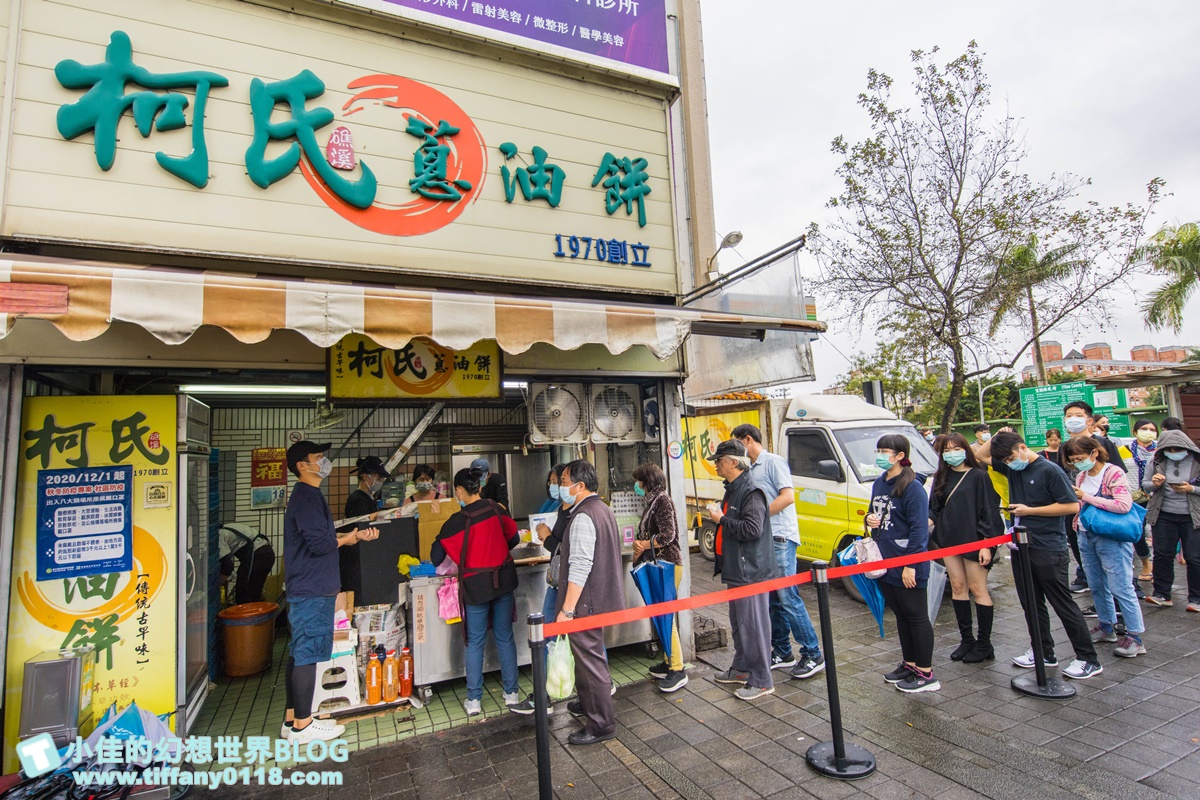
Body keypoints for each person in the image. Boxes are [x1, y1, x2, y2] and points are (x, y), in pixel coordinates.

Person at [978, 432, 1102, 680]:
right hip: (1021, 547)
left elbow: (1070, 506)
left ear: (1023, 447)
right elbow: (980, 454)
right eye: (1006, 459)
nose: (1011, 462)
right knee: (1031, 603)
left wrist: (1030, 510)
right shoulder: (1013, 467)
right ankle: (1043, 651)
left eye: (1013, 456)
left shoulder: (1049, 470)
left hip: (1048, 546)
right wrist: (999, 434)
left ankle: (1088, 658)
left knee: (1062, 603)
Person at [282, 441, 379, 743]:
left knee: (299, 653)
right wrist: (345, 540)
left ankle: (291, 718)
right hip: (312, 588)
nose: (324, 462)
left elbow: (323, 536)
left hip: (308, 586)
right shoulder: (307, 498)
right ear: (302, 465)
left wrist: (351, 536)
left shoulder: (308, 495)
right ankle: (303, 725)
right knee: (307, 654)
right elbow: (321, 545)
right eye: (318, 458)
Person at [731, 423, 824, 679]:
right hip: (765, 539)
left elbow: (788, 497)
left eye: (738, 444)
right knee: (773, 598)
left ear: (748, 440)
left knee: (787, 596)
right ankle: (782, 651)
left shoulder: (772, 462)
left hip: (781, 537)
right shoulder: (749, 468)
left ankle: (813, 652)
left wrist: (759, 516)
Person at [431, 467, 521, 716]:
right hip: (502, 581)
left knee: (474, 642)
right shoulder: (494, 508)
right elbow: (514, 539)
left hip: (476, 587)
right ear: (479, 487)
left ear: (459, 491)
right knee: (505, 637)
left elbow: (436, 557)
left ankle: (474, 701)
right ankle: (512, 694)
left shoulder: (456, 522)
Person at [556, 460, 626, 745]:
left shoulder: (584, 516)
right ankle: (588, 705)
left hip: (586, 605)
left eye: (563, 481)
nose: (560, 487)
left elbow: (580, 565)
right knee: (587, 661)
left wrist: (567, 609)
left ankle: (601, 725)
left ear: (579, 486)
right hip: (598, 600)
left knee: (590, 663)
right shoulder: (603, 509)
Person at [1062, 437, 1146, 659]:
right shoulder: (1081, 475)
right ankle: (1106, 626)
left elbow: (1123, 505)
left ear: (1094, 453)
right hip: (1085, 534)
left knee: (1121, 586)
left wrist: (1086, 497)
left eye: (1080, 458)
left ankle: (1135, 636)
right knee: (1097, 584)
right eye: (1073, 460)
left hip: (1111, 536)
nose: (1078, 463)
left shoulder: (1113, 472)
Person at [867, 435, 939, 693]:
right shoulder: (879, 482)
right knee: (900, 614)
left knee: (916, 616)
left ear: (899, 455)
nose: (879, 454)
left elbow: (920, 529)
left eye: (884, 450)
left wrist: (911, 565)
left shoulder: (912, 486)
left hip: (909, 561)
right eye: (878, 449)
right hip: (885, 559)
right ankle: (909, 664)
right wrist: (870, 519)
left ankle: (926, 673)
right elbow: (873, 511)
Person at [707, 439, 776, 701]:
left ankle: (762, 680)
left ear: (733, 462)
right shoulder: (733, 488)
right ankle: (742, 668)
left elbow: (752, 530)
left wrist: (721, 519)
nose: (716, 465)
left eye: (719, 460)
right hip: (738, 569)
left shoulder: (751, 490)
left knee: (754, 626)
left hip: (751, 572)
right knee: (740, 625)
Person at [929, 433, 1003, 663]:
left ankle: (984, 643)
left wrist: (986, 544)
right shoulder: (941, 476)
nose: (951, 453)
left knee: (978, 588)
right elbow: (934, 508)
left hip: (975, 540)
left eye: (956, 448)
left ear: (965, 449)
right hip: (949, 539)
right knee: (958, 587)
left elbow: (989, 511)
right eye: (946, 450)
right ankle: (966, 639)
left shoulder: (979, 476)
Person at [511, 464, 572, 716]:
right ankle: (543, 694)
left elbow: (567, 550)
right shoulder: (561, 509)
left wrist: (547, 537)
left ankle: (543, 697)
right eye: (553, 481)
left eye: (559, 480)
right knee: (553, 638)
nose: (554, 485)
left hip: (566, 586)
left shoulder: (579, 513)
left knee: (562, 638)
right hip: (558, 582)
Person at [631, 462, 687, 693]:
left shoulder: (662, 499)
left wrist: (644, 544)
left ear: (646, 481)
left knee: (665, 617)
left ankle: (678, 669)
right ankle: (667, 661)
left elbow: (669, 535)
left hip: (667, 564)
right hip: (658, 564)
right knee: (660, 615)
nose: (636, 485)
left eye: (638, 480)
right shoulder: (653, 500)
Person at [1142, 429, 1200, 612]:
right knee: (1162, 554)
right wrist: (1155, 484)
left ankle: (1196, 598)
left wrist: (1191, 489)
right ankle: (1162, 594)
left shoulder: (1197, 460)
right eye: (1170, 450)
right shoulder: (1156, 460)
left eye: (1178, 450)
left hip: (1192, 515)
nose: (1174, 454)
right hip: (1163, 513)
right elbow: (1145, 484)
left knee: (1194, 557)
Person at [342, 455, 389, 593]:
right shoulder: (358, 501)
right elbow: (359, 528)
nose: (380, 481)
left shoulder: (368, 498)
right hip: (359, 561)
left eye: (381, 478)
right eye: (377, 477)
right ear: (364, 476)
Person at [1128, 419, 1159, 583]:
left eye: (1152, 429)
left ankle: (1162, 566)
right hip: (1136, 497)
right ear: (1135, 432)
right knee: (1137, 532)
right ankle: (1146, 563)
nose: (1148, 432)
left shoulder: (1160, 451)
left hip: (1157, 496)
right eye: (1144, 428)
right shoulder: (1125, 450)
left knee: (1159, 532)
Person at [218, 522, 275, 605]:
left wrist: (217, 584)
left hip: (258, 554)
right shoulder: (225, 528)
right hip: (266, 552)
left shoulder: (218, 537)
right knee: (253, 593)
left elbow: (228, 567)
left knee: (244, 595)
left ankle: (248, 616)